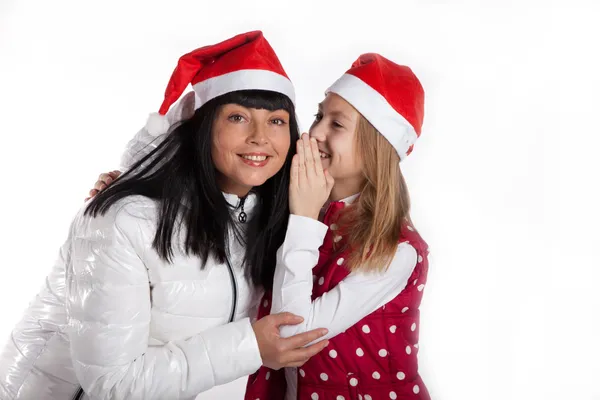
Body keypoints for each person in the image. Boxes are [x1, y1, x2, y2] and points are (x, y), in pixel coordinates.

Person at [0, 31, 329, 400]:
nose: (260, 137)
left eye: (276, 121)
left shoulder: (268, 215)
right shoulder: (124, 222)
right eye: (238, 117)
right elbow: (112, 386)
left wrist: (305, 220)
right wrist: (249, 347)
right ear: (203, 128)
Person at [245, 53, 431, 399]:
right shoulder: (304, 208)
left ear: (377, 144)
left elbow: (292, 337)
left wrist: (302, 218)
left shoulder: (396, 250)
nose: (314, 133)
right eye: (318, 116)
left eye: (336, 124)